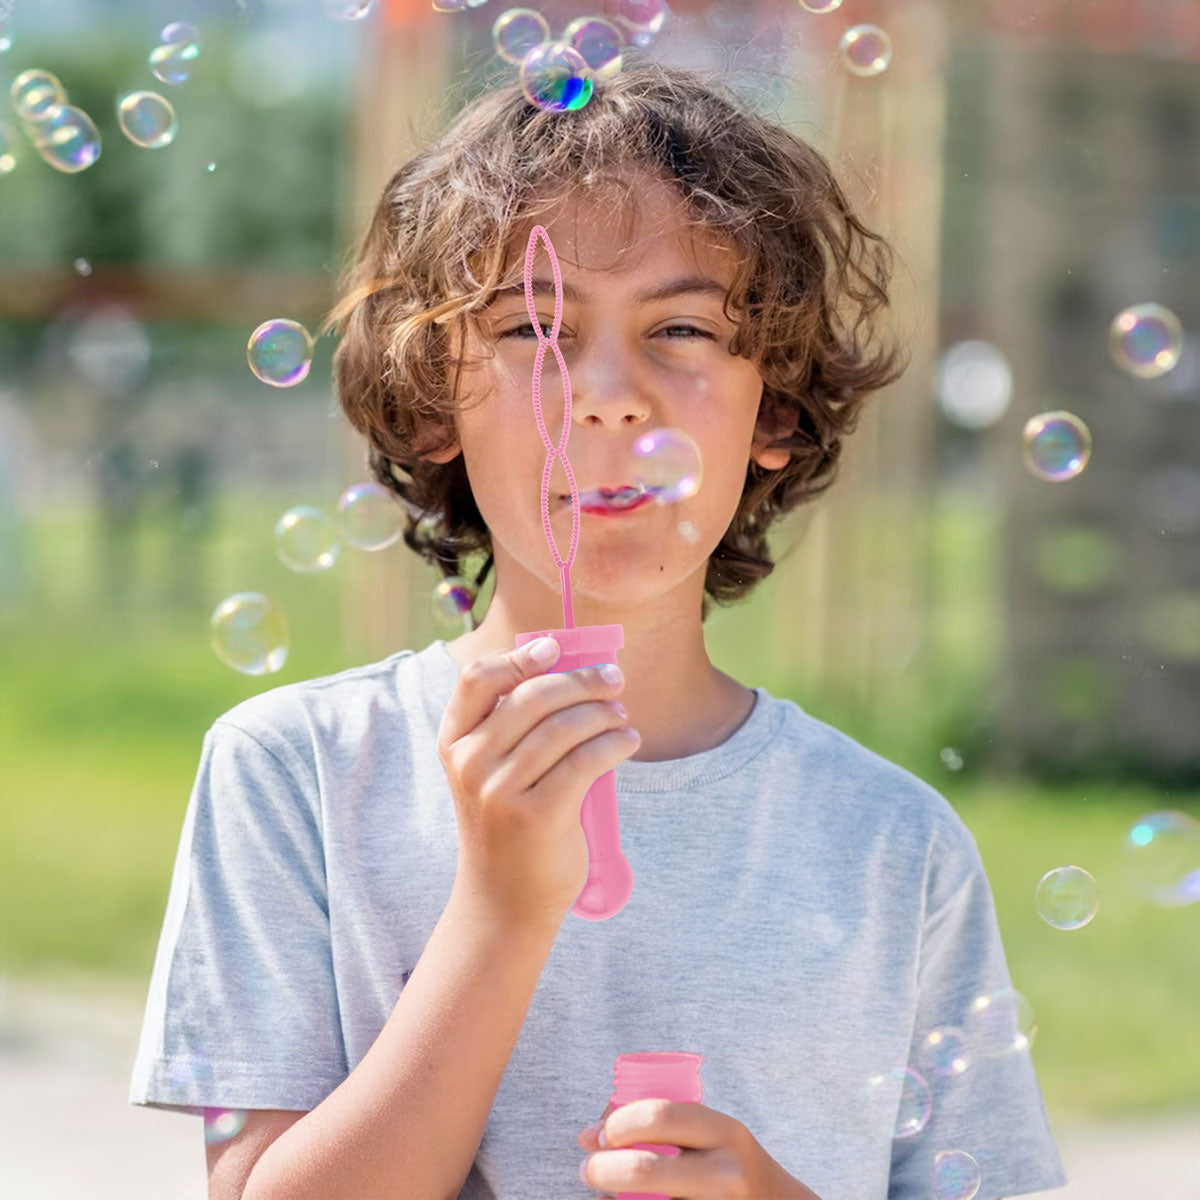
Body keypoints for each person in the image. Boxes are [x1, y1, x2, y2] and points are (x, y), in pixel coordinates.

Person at [129, 61, 1067, 1200]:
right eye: (535, 326)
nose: (607, 394)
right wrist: (502, 910)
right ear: (432, 400)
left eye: (683, 326)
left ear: (775, 407)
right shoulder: (298, 774)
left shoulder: (893, 845)